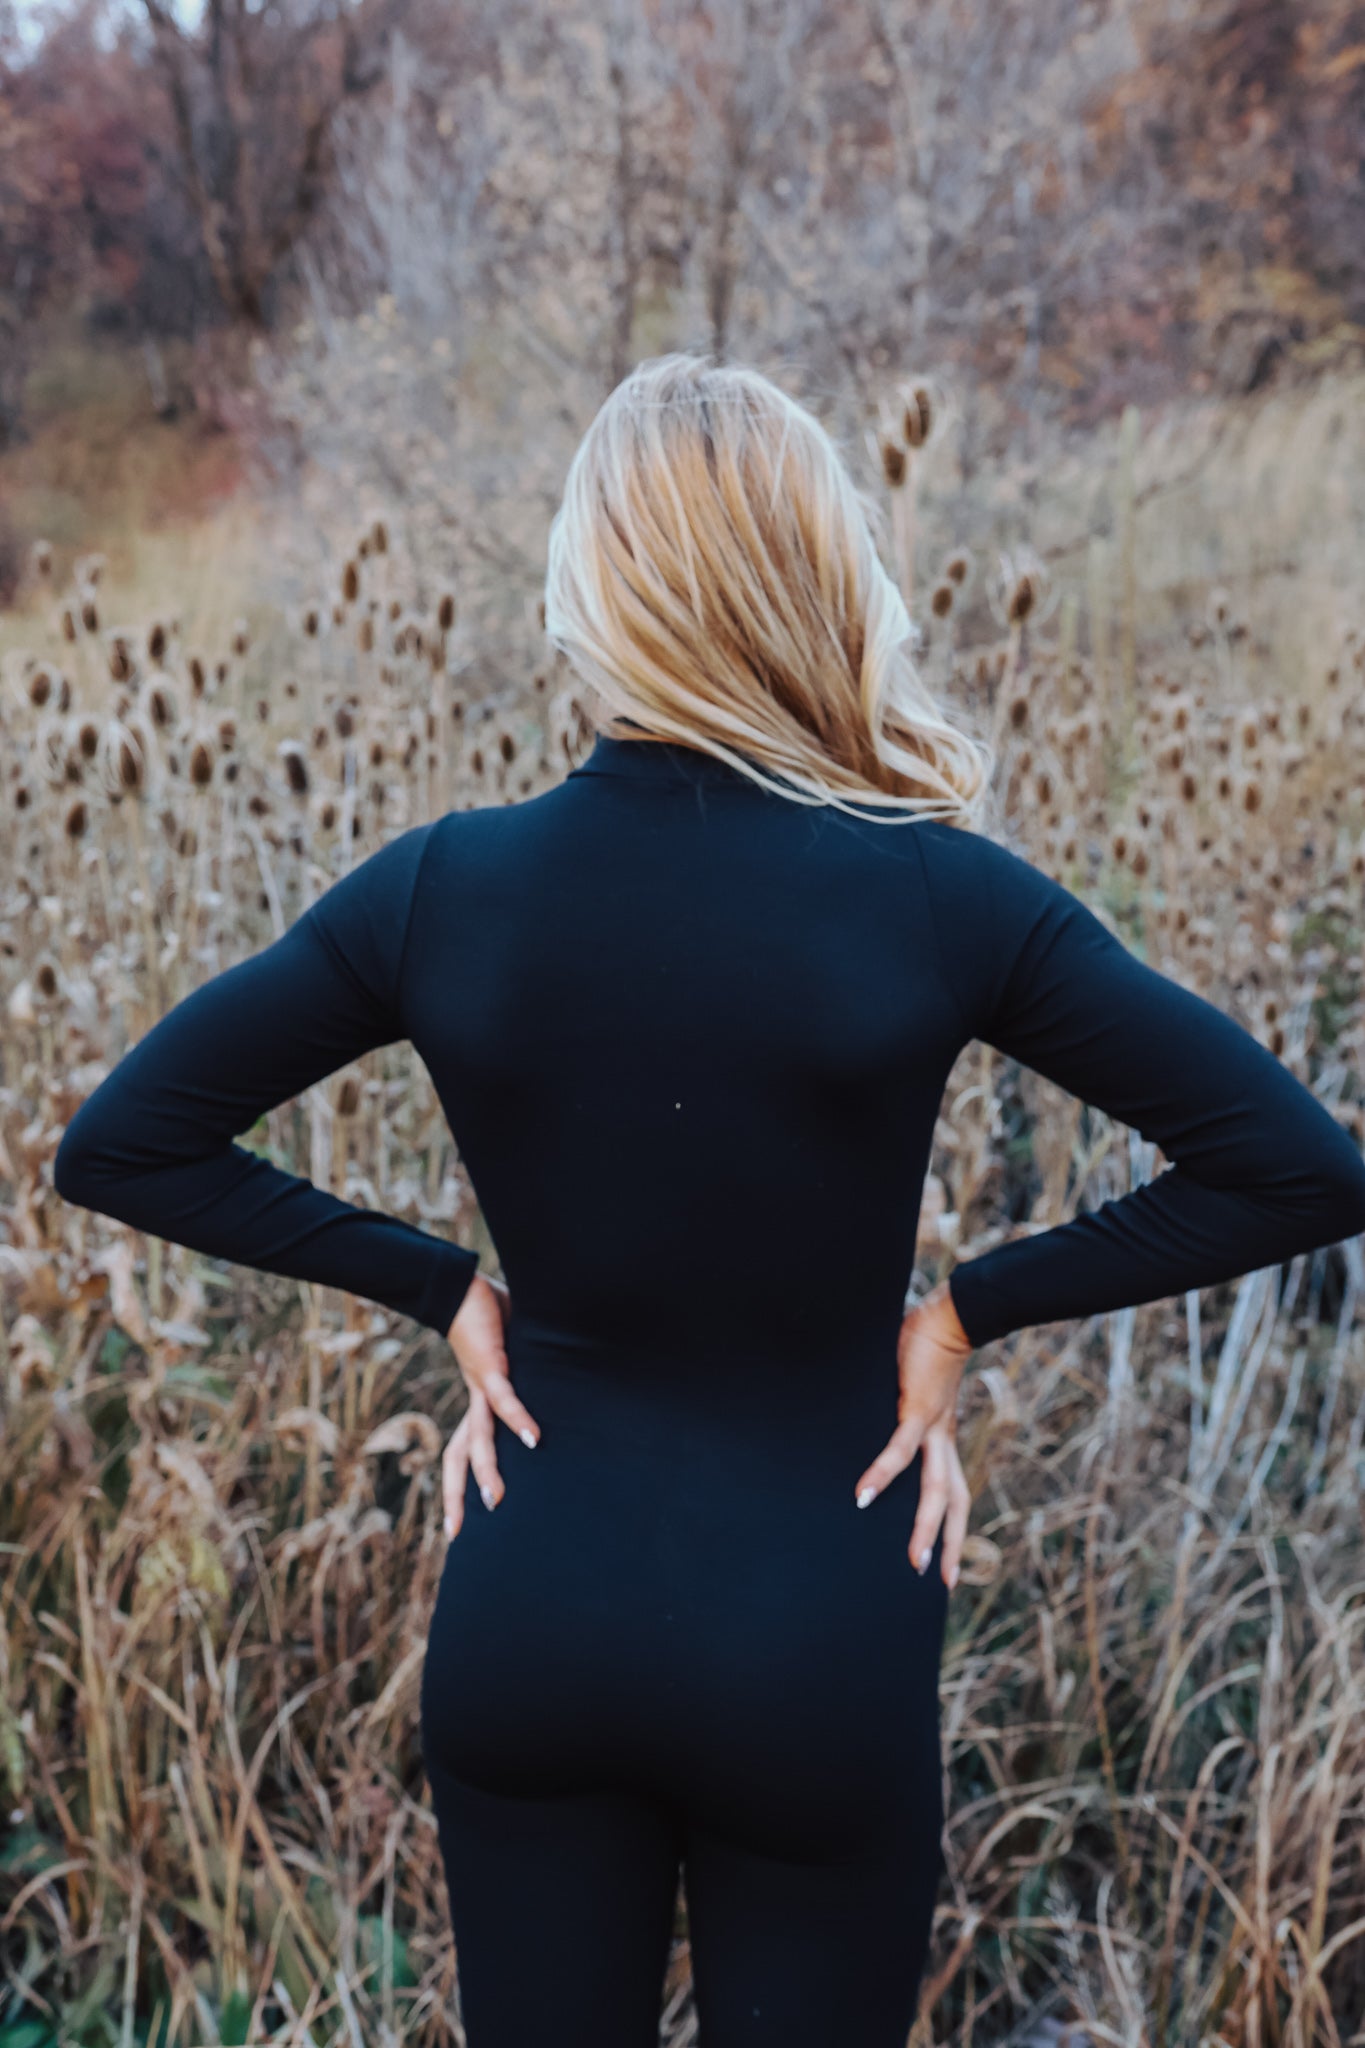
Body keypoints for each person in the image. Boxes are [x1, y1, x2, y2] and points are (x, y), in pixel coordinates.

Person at [53, 351, 1365, 2048]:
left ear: (593, 586)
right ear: (815, 578)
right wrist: (962, 1317)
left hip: (536, 1606)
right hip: (817, 1616)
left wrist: (444, 1287)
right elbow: (1300, 1167)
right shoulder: (937, 897)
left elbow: (125, 1141)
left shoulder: (447, 888)